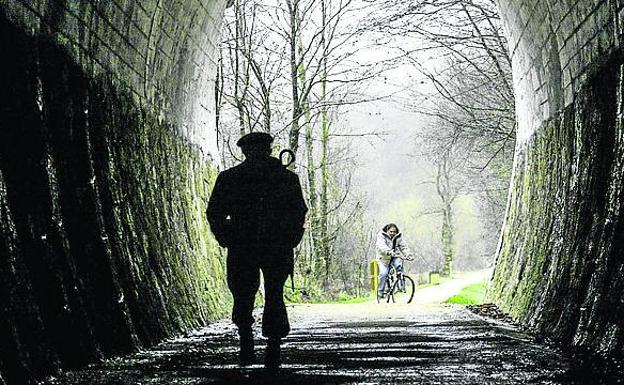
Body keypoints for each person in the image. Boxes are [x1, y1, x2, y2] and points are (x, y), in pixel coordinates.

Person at [206, 132, 307, 369]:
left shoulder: (231, 178)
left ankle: (250, 344)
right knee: (269, 294)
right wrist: (290, 238)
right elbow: (299, 213)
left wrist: (228, 237)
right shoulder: (285, 178)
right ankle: (267, 346)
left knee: (247, 294)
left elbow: (215, 213)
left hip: (247, 246)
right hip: (269, 246)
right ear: (269, 150)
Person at [375, 223, 412, 298]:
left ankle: (401, 285)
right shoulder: (381, 236)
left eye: (394, 232)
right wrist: (389, 251)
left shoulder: (398, 236)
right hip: (384, 258)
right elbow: (381, 246)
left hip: (395, 256)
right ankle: (380, 292)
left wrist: (408, 254)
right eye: (391, 231)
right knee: (384, 273)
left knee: (399, 266)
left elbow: (403, 246)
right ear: (387, 231)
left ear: (396, 231)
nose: (392, 233)